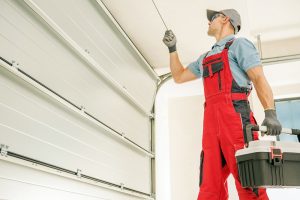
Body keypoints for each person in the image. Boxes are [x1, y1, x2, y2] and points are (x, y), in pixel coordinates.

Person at [162, 9, 282, 200]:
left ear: (226, 19)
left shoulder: (239, 45)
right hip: (210, 126)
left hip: (236, 119)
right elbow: (179, 76)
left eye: (213, 17)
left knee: (249, 183)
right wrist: (172, 49)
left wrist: (270, 112)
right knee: (209, 188)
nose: (209, 21)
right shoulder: (206, 57)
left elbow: (258, 77)